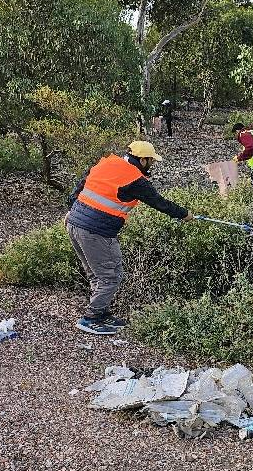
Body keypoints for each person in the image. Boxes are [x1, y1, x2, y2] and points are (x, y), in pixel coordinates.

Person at [66, 140, 192, 335]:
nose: (152, 164)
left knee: (98, 273)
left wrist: (73, 209)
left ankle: (102, 312)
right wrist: (184, 214)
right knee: (110, 277)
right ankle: (91, 318)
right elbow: (159, 203)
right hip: (96, 231)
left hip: (75, 223)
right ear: (142, 160)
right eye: (151, 160)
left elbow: (80, 185)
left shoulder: (106, 163)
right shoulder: (135, 179)